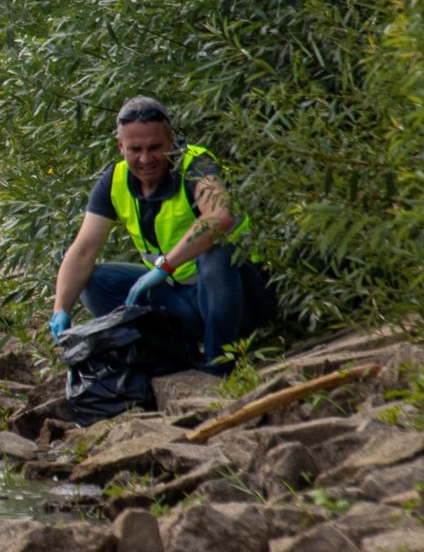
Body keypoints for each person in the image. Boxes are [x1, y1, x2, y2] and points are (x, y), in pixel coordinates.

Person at [48, 96, 276, 375]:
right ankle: (167, 358)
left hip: (240, 296)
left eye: (155, 147)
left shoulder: (195, 164)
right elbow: (83, 250)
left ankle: (220, 365)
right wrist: (61, 309)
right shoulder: (114, 180)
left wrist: (164, 265)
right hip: (182, 296)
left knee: (216, 255)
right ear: (120, 147)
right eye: (135, 149)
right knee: (95, 281)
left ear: (171, 140)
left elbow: (220, 216)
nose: (146, 159)